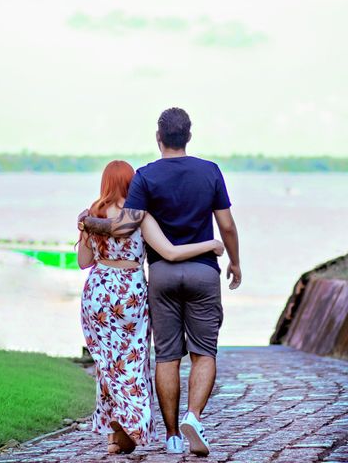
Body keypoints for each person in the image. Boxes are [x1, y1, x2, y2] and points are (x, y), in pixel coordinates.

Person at [80, 108, 241, 456]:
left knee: (166, 356)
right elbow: (227, 226)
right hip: (202, 272)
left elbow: (123, 227)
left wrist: (89, 223)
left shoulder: (146, 176)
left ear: (159, 137)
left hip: (162, 277)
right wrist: (235, 262)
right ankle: (193, 418)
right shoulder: (210, 171)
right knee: (203, 352)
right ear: (189, 136)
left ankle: (171, 436)